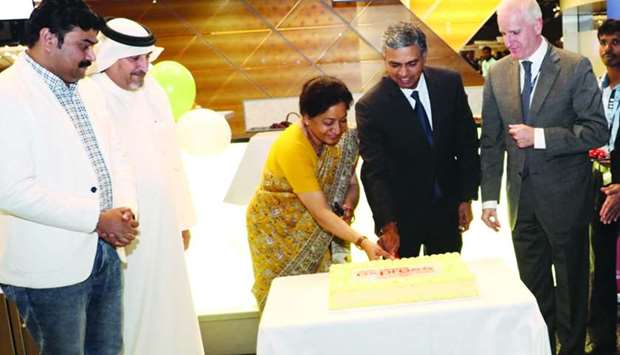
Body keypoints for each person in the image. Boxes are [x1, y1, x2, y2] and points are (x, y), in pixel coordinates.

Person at [0, 0, 140, 354]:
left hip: (103, 252)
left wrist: (123, 211)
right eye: (85, 45)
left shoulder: (88, 89)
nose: (92, 57)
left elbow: (117, 155)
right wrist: (96, 219)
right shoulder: (8, 94)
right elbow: (10, 189)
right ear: (49, 38)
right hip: (49, 264)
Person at [479, 0, 608, 353]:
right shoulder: (498, 73)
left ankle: (571, 349)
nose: (509, 41)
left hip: (566, 200)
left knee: (571, 286)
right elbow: (490, 141)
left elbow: (596, 130)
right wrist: (489, 198)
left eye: (515, 32)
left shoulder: (574, 67)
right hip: (522, 204)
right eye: (504, 33)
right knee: (532, 289)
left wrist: (540, 137)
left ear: (537, 25)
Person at [88, 18, 204, 355]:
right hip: (123, 230)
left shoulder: (152, 90)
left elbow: (172, 159)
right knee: (131, 309)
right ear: (110, 57)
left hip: (164, 223)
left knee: (172, 302)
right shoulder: (90, 94)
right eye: (134, 60)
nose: (143, 67)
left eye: (146, 59)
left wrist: (182, 219)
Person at [247, 76, 391, 310]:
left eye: (343, 121)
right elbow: (321, 213)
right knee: (286, 306)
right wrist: (363, 242)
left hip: (321, 231)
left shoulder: (343, 140)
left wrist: (347, 206)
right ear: (306, 118)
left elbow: (351, 184)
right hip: (276, 230)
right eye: (328, 122)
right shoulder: (292, 147)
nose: (337, 130)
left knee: (321, 300)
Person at [356, 22, 480, 258]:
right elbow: (375, 172)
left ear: (424, 55)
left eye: (411, 64)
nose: (403, 73)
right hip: (401, 219)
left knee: (447, 283)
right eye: (394, 65)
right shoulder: (371, 107)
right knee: (406, 289)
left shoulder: (449, 84)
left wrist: (466, 197)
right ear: (385, 60)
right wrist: (387, 224)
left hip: (447, 210)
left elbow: (466, 144)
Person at [586, 18, 620, 355]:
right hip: (599, 187)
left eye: (615, 42)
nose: (608, 50)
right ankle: (603, 339)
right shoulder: (595, 87)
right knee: (603, 265)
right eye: (604, 42)